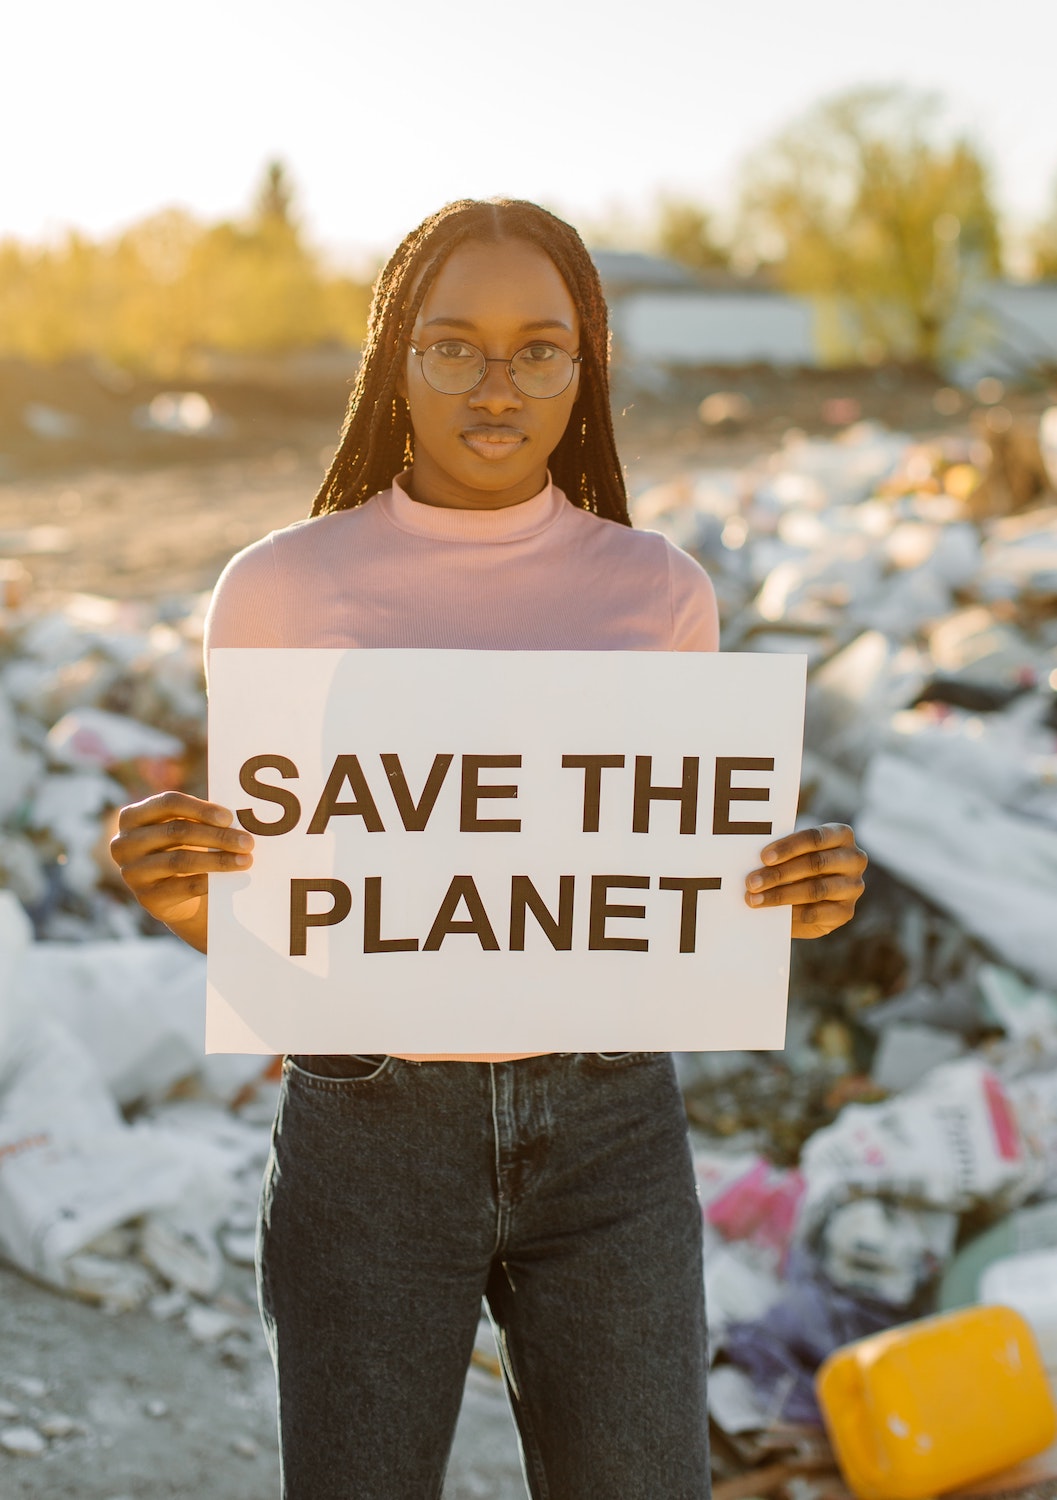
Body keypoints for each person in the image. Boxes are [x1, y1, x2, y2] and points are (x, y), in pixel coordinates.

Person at [111, 198, 867, 1500]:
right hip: (369, 1128)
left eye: (540, 349)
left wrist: (781, 904)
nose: (497, 383)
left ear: (587, 369)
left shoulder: (661, 591)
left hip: (613, 1127)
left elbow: (666, 872)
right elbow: (275, 912)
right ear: (394, 358)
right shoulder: (278, 588)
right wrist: (187, 901)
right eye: (454, 346)